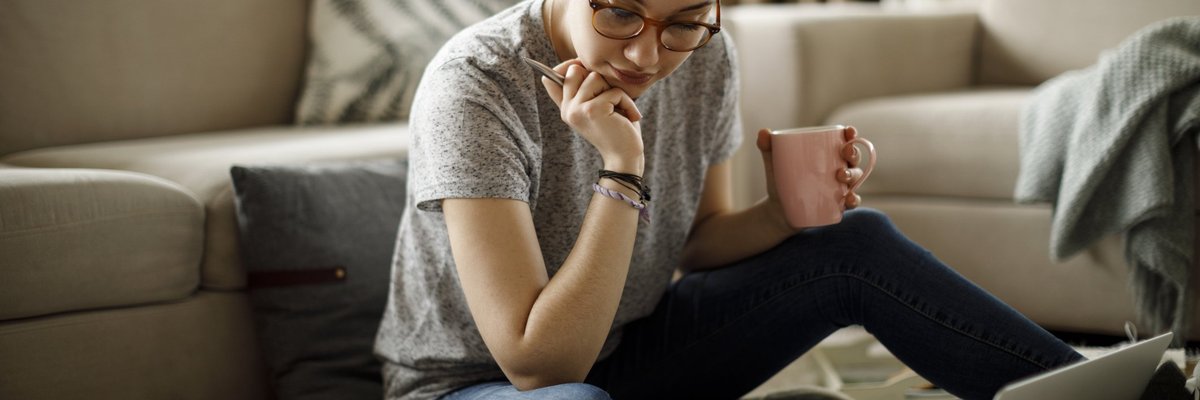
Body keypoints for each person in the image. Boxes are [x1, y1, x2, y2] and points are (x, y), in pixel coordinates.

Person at [373, 0, 1085, 399]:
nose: (648, 56)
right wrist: (622, 169)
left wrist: (780, 215)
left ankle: (1103, 393)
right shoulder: (476, 84)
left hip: (634, 350)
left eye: (682, 21)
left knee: (855, 243)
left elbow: (699, 241)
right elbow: (537, 364)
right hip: (475, 386)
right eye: (621, 12)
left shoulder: (707, 53)